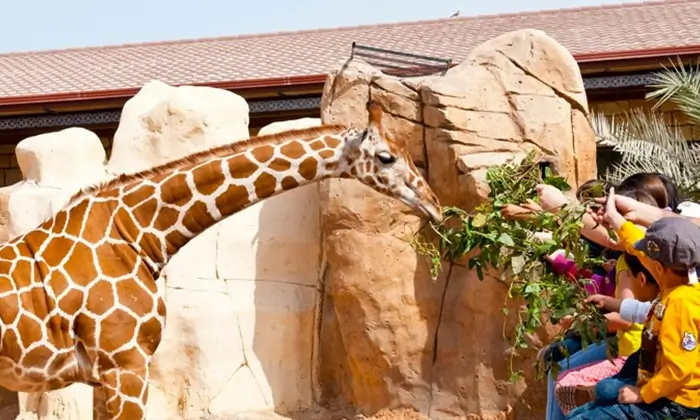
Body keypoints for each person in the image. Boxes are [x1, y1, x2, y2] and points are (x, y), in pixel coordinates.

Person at [565, 204, 700, 419]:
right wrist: (618, 221)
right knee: (593, 402)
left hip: (674, 403)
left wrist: (642, 394)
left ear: (657, 268)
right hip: (660, 384)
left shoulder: (680, 304)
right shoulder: (680, 281)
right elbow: (639, 249)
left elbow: (679, 371)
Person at [554, 252, 659, 413]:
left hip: (628, 354)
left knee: (567, 381)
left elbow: (627, 318)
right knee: (563, 373)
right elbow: (640, 310)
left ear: (641, 279)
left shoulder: (629, 264)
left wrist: (581, 322)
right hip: (627, 350)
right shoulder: (626, 262)